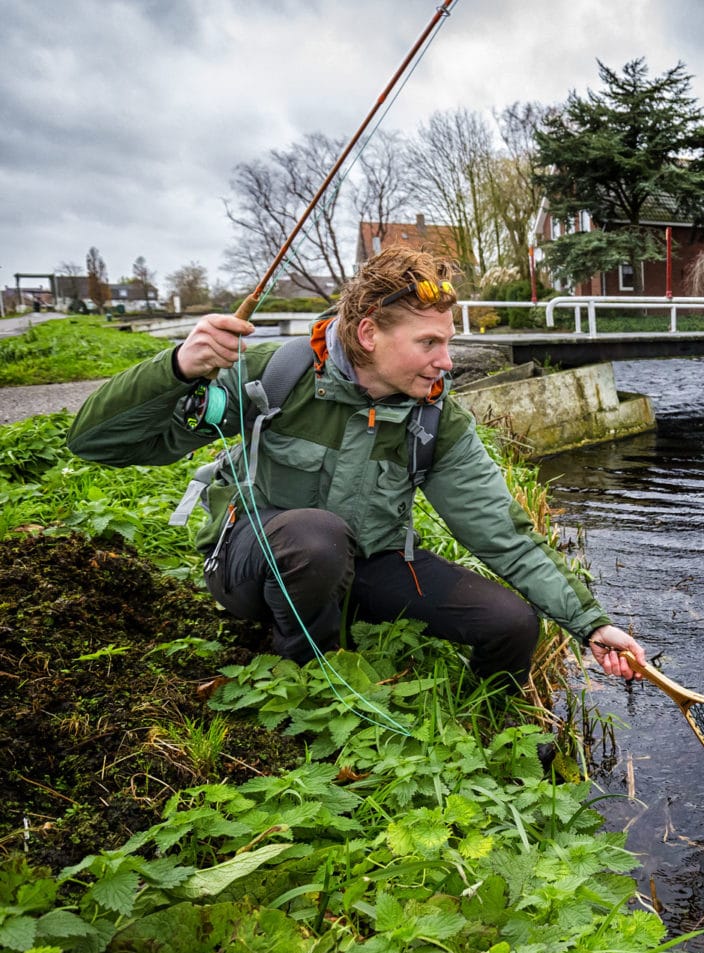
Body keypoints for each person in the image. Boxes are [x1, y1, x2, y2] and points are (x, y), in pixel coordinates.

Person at [68, 245, 646, 686]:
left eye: (447, 342)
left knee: (511, 623)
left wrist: (591, 624)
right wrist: (177, 368)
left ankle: (499, 737)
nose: (447, 362)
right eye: (429, 344)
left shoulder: (435, 417)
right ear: (368, 333)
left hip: (365, 566)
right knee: (316, 537)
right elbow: (97, 443)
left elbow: (505, 535)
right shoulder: (276, 376)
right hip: (256, 563)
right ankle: (303, 677)